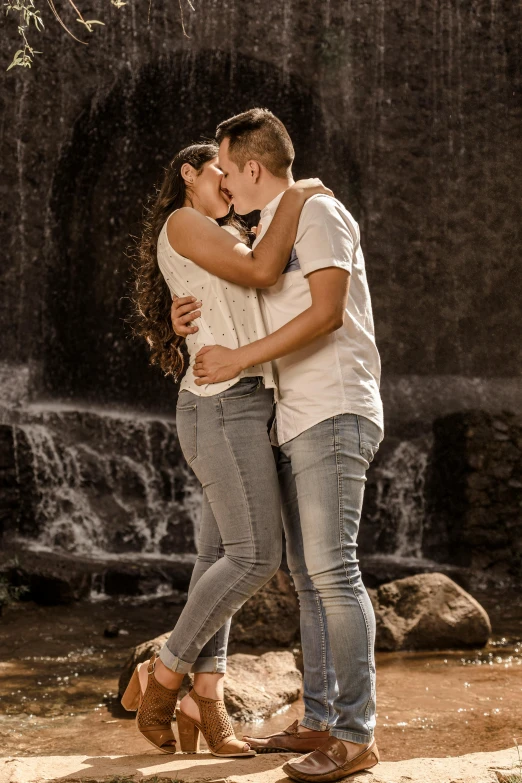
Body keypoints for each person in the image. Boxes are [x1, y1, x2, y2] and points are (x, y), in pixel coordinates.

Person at [170, 109, 384, 782]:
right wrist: (182, 317)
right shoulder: (267, 229)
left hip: (334, 407)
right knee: (310, 583)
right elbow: (244, 288)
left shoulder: (319, 215)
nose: (225, 181)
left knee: (335, 572)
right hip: (291, 419)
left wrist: (238, 358)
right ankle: (320, 718)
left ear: (253, 168)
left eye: (228, 169)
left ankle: (355, 734)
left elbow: (324, 314)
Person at [123, 140, 331, 759]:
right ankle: (163, 674)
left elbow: (252, 287)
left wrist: (176, 316)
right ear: (189, 175)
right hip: (221, 404)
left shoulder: (225, 230)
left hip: (245, 403)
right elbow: (263, 272)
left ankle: (204, 693)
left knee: (217, 555)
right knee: (256, 555)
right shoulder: (186, 221)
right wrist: (298, 191)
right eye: (219, 170)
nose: (229, 182)